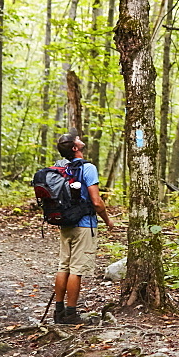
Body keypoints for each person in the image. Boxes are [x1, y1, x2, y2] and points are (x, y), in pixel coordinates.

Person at [51, 132, 113, 324]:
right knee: (76, 270)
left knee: (64, 267)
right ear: (75, 148)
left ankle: (58, 311)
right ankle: (71, 314)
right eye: (76, 138)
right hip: (84, 225)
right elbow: (96, 201)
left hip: (65, 223)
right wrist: (107, 220)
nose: (80, 137)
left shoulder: (61, 168)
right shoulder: (88, 168)